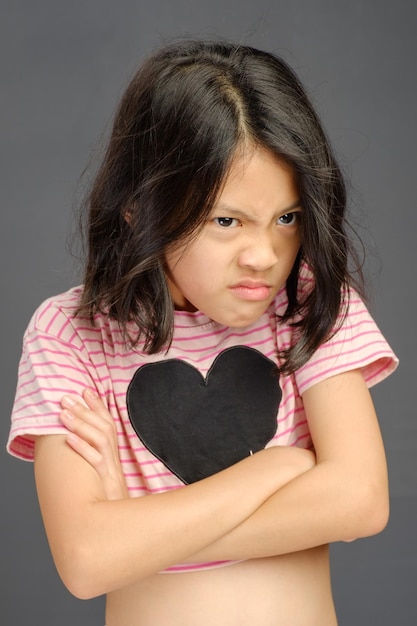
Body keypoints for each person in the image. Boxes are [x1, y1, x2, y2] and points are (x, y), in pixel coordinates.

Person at [7, 38, 398, 626]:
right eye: (226, 221)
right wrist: (276, 470)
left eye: (286, 218)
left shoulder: (309, 302)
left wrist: (139, 533)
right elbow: (88, 560)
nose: (265, 256)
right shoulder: (70, 334)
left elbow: (360, 502)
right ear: (140, 209)